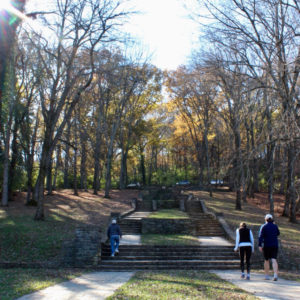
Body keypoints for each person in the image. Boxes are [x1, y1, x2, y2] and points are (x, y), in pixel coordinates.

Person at [258, 214, 280, 281]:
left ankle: (267, 275)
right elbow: (278, 233)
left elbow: (261, 236)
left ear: (265, 219)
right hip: (275, 245)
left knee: (266, 260)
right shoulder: (275, 226)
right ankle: (275, 275)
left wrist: (260, 245)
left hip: (267, 245)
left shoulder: (264, 226)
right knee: (274, 260)